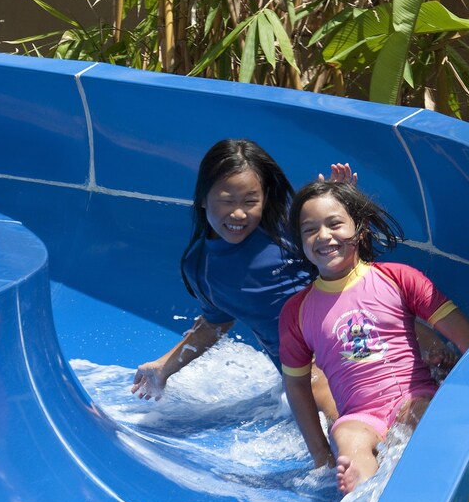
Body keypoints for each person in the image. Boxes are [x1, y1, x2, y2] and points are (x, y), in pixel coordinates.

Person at [278, 180, 469, 495]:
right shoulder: (298, 311)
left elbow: (466, 336)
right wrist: (321, 454)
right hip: (360, 414)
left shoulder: (396, 278)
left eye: (334, 224)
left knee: (425, 420)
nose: (323, 236)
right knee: (347, 437)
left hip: (412, 398)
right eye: (309, 229)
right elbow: (296, 385)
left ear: (359, 227)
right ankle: (361, 492)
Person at [131, 139, 355, 412]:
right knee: (323, 392)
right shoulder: (202, 267)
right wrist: (164, 366)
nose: (238, 213)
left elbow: (349, 265)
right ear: (203, 198)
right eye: (226, 201)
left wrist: (339, 209)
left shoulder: (288, 226)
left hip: (348, 335)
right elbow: (215, 322)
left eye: (251, 201)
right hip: (305, 373)